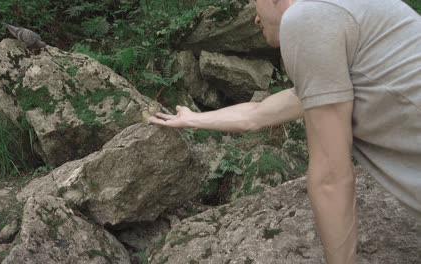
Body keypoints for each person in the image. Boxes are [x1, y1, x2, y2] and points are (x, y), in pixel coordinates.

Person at [149, 0, 421, 263]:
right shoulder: (339, 18)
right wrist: (193, 118)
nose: (255, 18)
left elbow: (331, 177)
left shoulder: (307, 17)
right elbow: (257, 115)